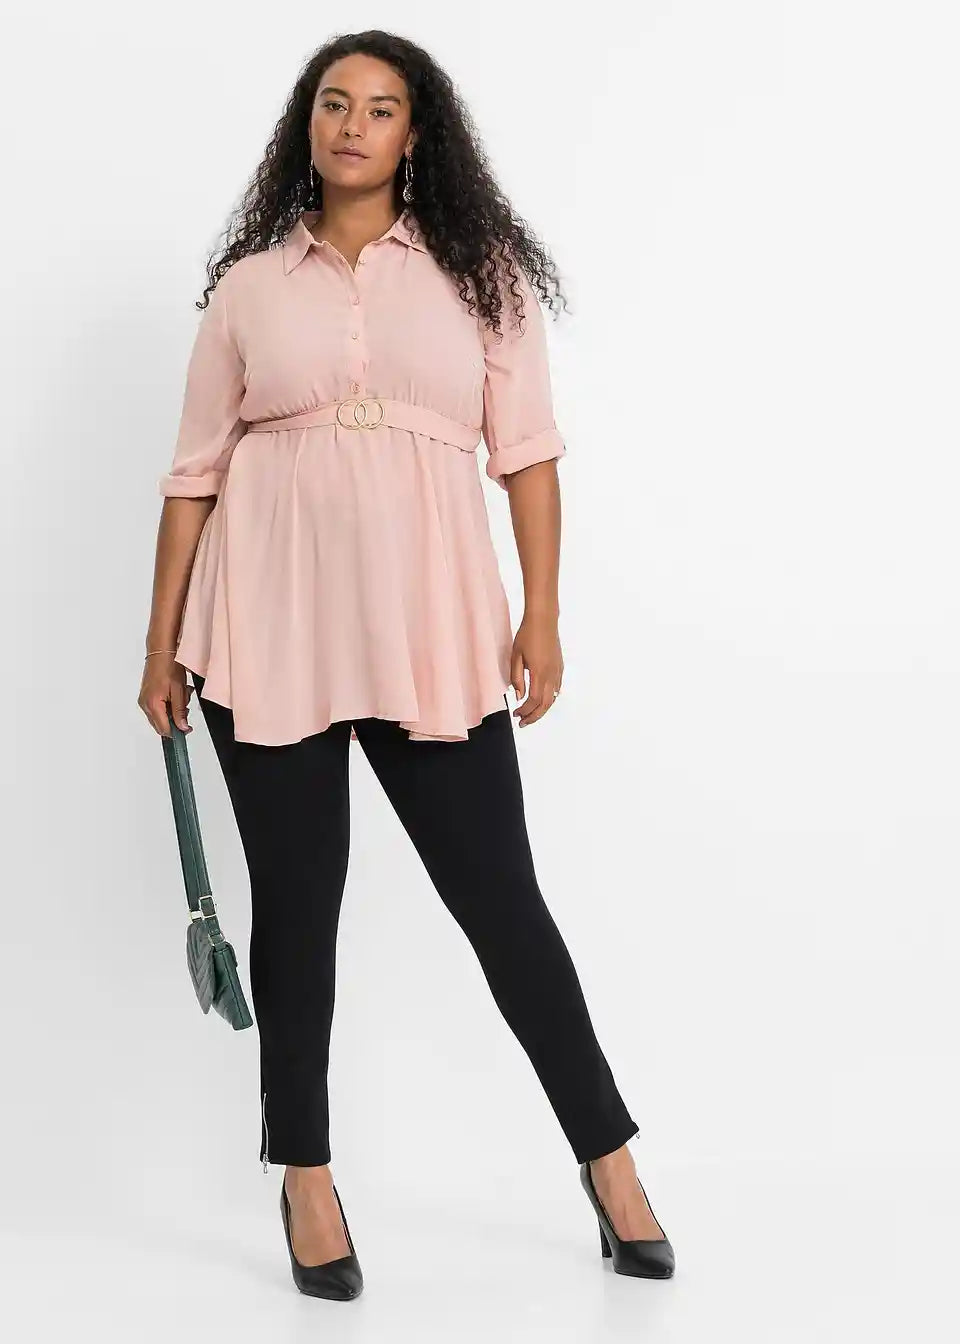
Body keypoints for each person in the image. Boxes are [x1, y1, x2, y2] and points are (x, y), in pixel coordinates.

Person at [140, 30, 675, 1298]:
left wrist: (543, 615)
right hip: (268, 620)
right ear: (307, 123)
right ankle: (305, 1175)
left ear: (415, 133)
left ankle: (609, 1160)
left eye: (380, 108)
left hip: (430, 627)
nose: (353, 124)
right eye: (334, 103)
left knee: (502, 903)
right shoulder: (250, 288)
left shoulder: (481, 274)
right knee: (297, 909)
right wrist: (160, 643)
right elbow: (194, 473)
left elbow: (528, 452)